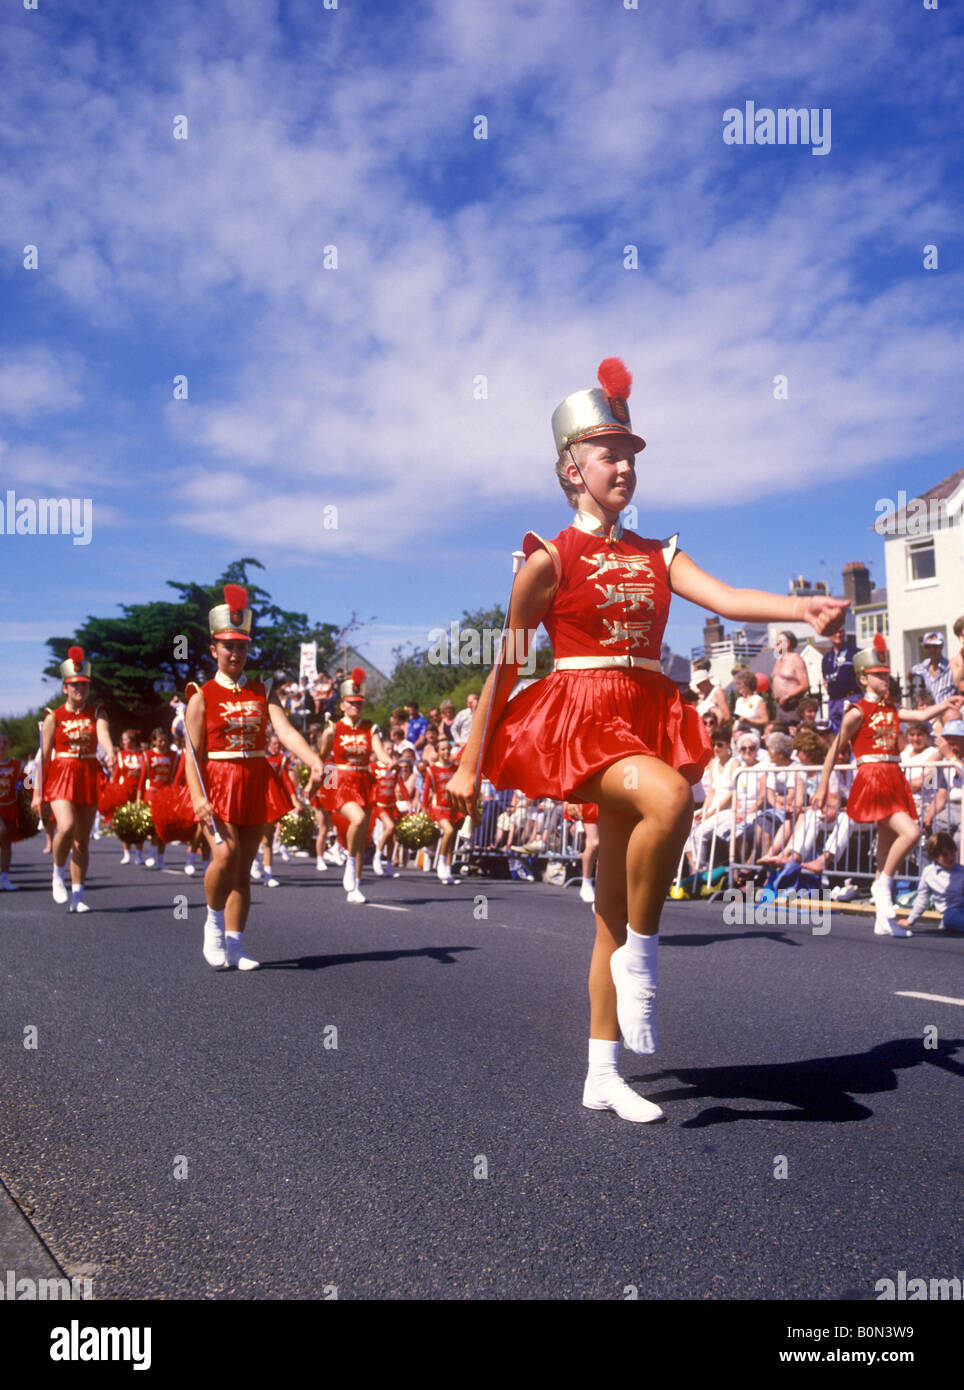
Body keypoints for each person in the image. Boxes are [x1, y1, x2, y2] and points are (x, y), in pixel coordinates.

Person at [446, 357, 849, 1123]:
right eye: (609, 456)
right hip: (578, 716)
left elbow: (728, 598)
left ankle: (601, 1071)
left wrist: (803, 612)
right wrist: (470, 763)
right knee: (670, 795)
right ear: (572, 471)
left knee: (607, 909)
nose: (624, 468)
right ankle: (647, 957)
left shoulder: (657, 552)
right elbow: (505, 662)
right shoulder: (548, 558)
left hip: (643, 711)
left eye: (631, 456)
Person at [184, 586, 323, 969]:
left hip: (256, 780)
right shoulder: (201, 694)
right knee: (224, 855)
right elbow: (192, 756)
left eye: (241, 647)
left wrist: (315, 760)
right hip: (217, 781)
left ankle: (236, 944)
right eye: (227, 646)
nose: (235, 653)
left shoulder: (263, 691)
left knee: (243, 870)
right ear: (214, 649)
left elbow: (286, 731)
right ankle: (212, 925)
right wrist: (198, 796)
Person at [813, 635, 962, 937]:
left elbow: (920, 715)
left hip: (893, 775)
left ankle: (884, 920)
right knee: (912, 831)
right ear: (864, 678)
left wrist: (946, 703)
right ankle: (883, 884)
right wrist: (821, 785)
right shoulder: (856, 711)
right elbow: (834, 749)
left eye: (886, 675)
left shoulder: (891, 708)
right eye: (879, 676)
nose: (885, 679)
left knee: (884, 845)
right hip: (873, 777)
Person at [32, 647, 116, 911]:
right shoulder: (52, 717)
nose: (80, 689)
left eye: (84, 685)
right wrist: (36, 793)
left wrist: (111, 750)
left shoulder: (97, 712)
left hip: (87, 774)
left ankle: (78, 896)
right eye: (74, 685)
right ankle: (57, 873)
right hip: (61, 774)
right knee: (65, 826)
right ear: (65, 688)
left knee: (82, 840)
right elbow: (43, 758)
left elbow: (102, 733)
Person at [317, 667, 392, 903]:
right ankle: (349, 864)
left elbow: (379, 751)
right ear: (342, 705)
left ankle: (356, 887)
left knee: (361, 839)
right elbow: (322, 758)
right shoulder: (333, 729)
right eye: (351, 703)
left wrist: (389, 761)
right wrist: (322, 787)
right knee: (358, 819)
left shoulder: (371, 728)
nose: (356, 707)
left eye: (359, 703)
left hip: (363, 782)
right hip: (341, 783)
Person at [420, 736, 464, 884]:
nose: (446, 751)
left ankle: (448, 870)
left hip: (452, 808)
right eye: (443, 749)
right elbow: (426, 790)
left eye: (448, 749)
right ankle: (440, 862)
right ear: (438, 751)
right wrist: (423, 808)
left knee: (451, 838)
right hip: (438, 808)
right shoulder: (431, 770)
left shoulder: (455, 768)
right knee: (449, 831)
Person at [900, 832, 964, 933]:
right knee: (950, 917)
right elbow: (922, 899)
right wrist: (910, 921)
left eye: (952, 852)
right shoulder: (929, 873)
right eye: (945, 854)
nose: (951, 857)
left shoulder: (961, 872)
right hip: (950, 913)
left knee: (951, 919)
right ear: (934, 857)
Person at [138, 728, 177, 869]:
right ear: (154, 741)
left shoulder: (173, 756)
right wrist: (139, 800)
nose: (163, 743)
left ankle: (160, 858)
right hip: (151, 794)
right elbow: (142, 780)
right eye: (160, 740)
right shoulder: (147, 755)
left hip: (166, 795)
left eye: (166, 740)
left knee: (164, 828)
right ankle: (149, 854)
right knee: (154, 827)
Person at [0, 732, 25, 890]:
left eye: (5, 742)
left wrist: (33, 787)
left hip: (10, 807)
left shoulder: (17, 765)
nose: (2, 746)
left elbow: (28, 782)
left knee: (6, 844)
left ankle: (4, 878)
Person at [821, 628, 860, 731]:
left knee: (851, 731)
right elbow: (824, 678)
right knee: (835, 734)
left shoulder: (855, 653)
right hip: (833, 701)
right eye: (835, 632)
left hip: (851, 698)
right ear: (829, 635)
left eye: (841, 632)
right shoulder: (827, 657)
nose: (838, 635)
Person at [771, 631, 810, 725]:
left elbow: (805, 685)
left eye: (778, 641)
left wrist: (787, 697)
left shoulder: (796, 659)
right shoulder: (778, 660)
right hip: (779, 706)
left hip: (792, 706)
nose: (775, 644)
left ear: (787, 643)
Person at [911, 633, 955, 706]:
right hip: (931, 712)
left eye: (935, 646)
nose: (932, 650)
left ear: (941, 646)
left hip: (948, 711)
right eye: (928, 647)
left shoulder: (950, 667)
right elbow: (910, 672)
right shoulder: (923, 667)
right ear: (924, 649)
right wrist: (910, 682)